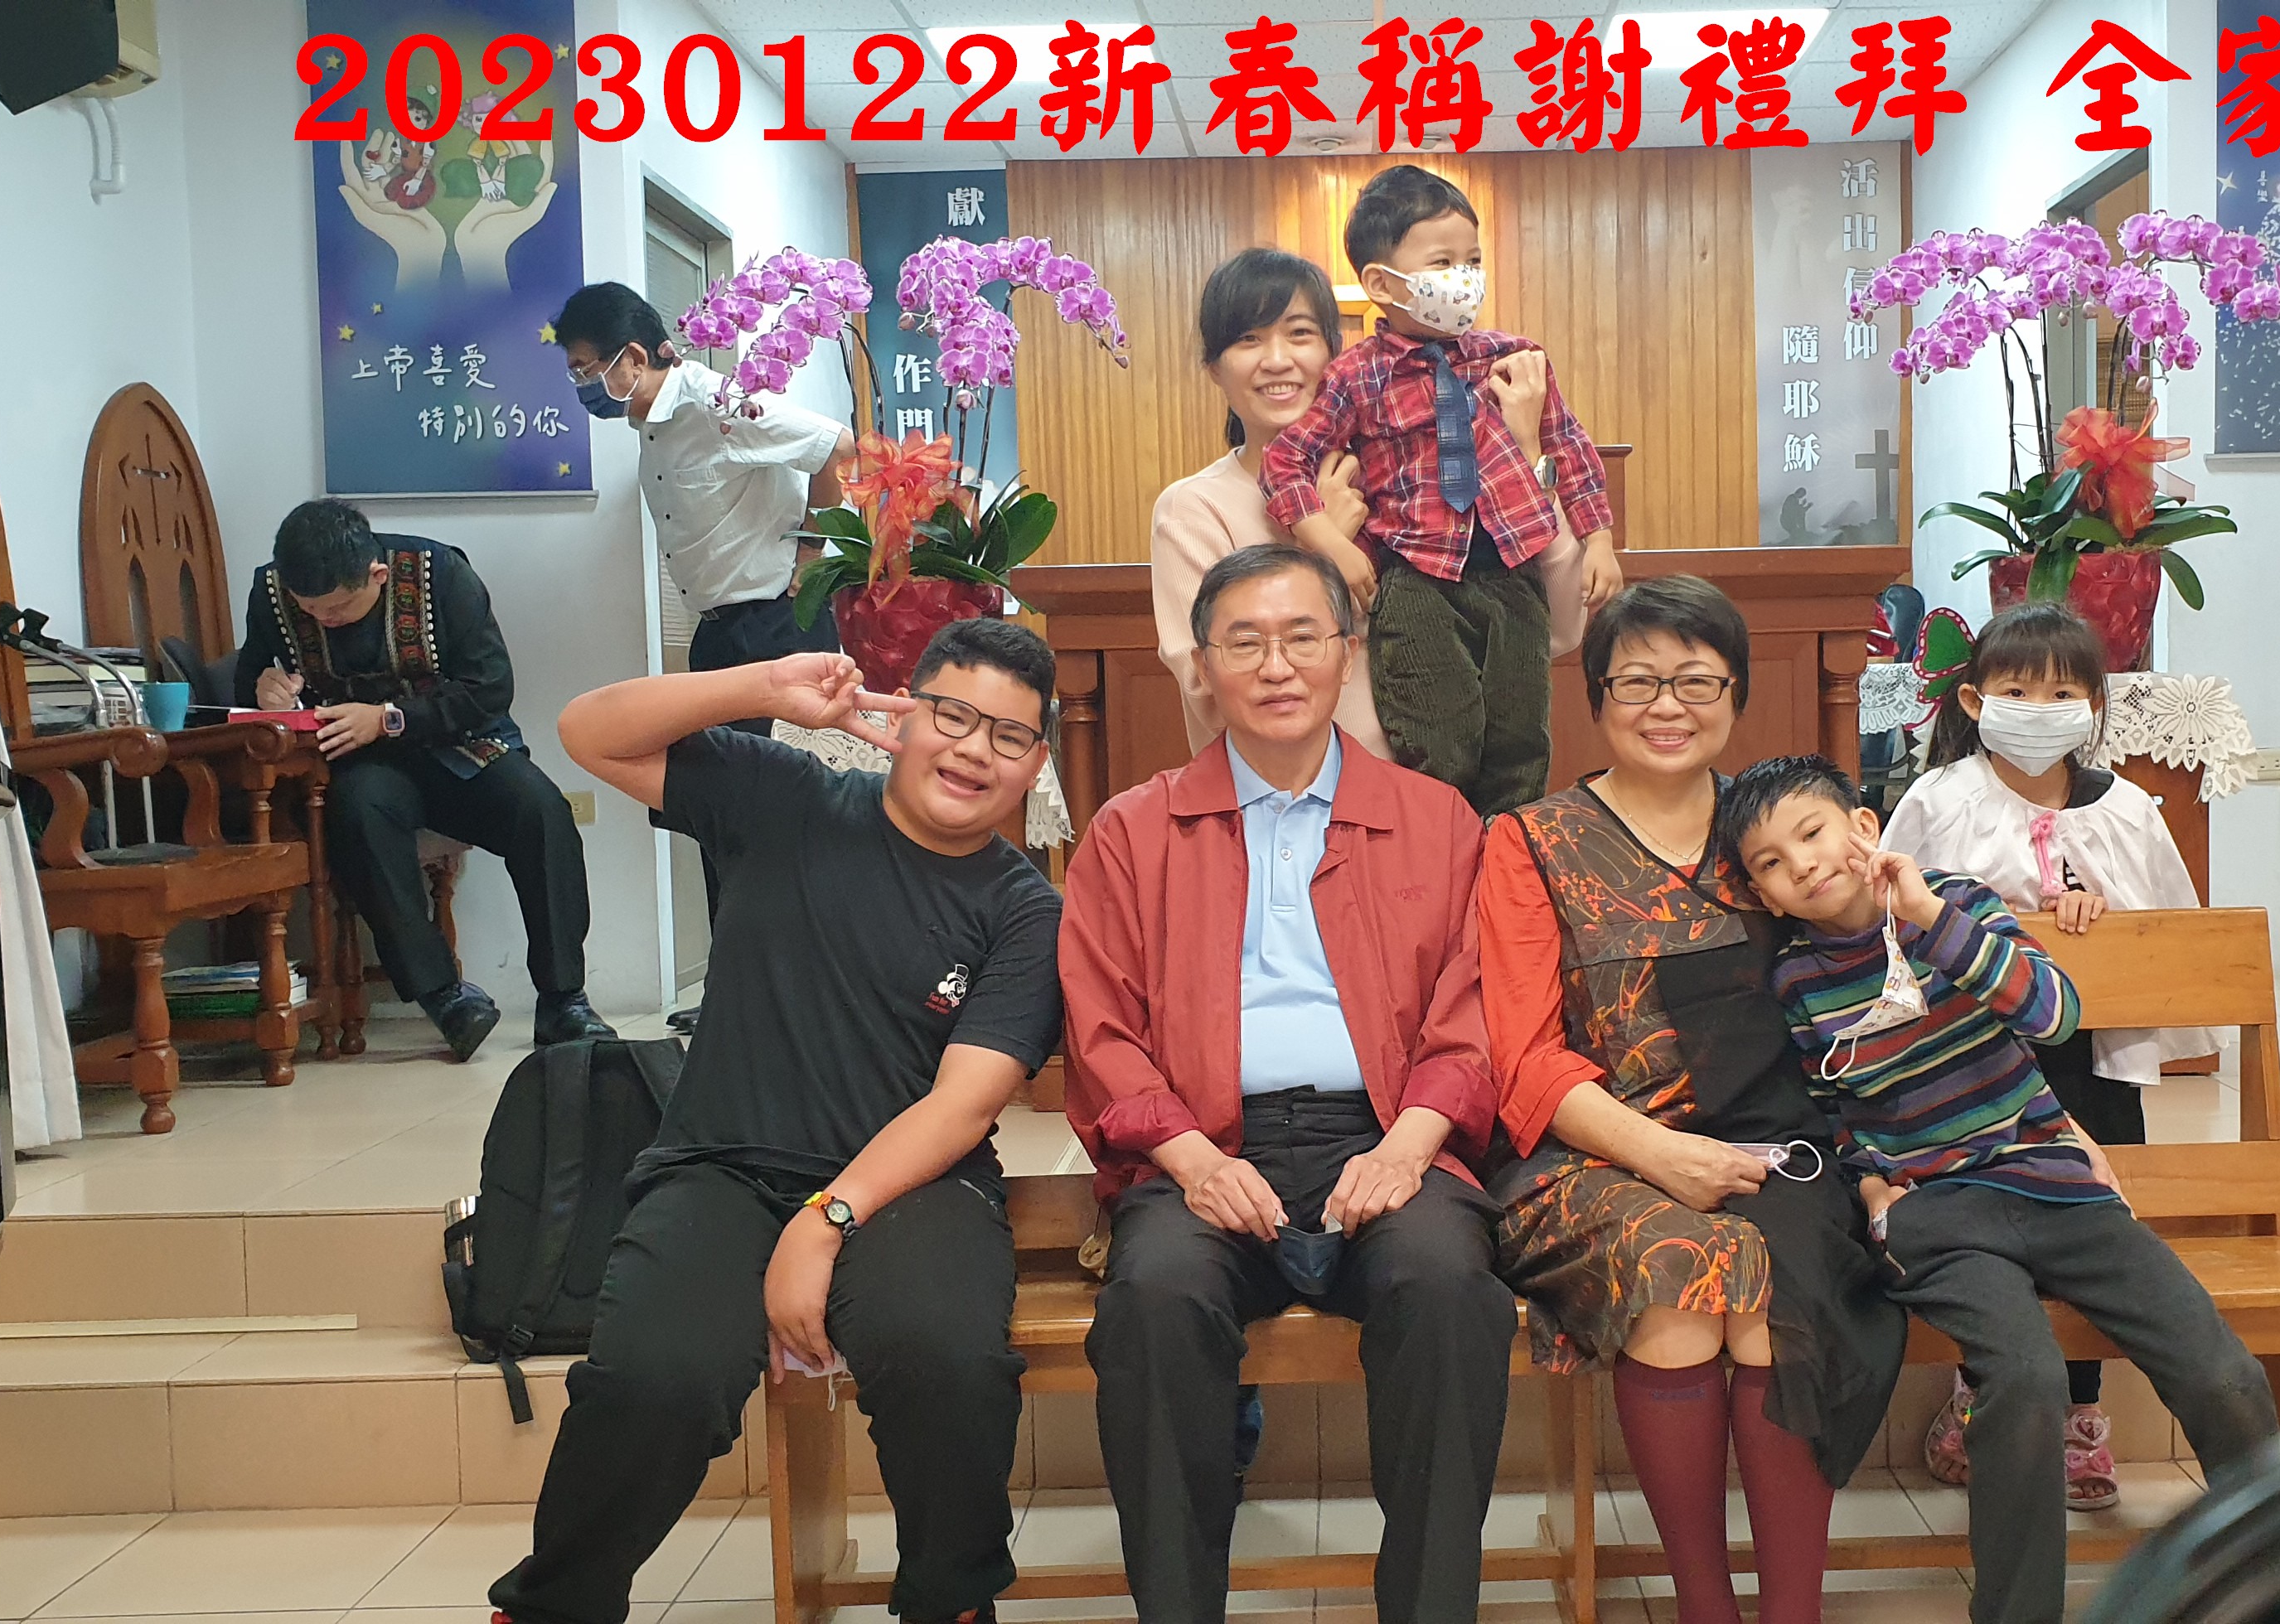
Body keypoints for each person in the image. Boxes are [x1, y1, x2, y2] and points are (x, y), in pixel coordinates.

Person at [491, 621, 1064, 1624]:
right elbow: (587, 731)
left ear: (1035, 760)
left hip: (914, 1184)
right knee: (656, 1376)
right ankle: (553, 1607)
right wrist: (762, 686)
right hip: (719, 1166)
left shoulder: (1025, 911)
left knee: (946, 1361)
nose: (975, 750)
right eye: (952, 716)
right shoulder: (785, 797)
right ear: (902, 716)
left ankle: (952, 1602)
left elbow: (963, 1101)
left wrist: (828, 1218)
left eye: (1007, 736)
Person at [1059, 544, 1514, 1624]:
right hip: (1203, 1148)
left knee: (1450, 1289)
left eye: (1303, 636)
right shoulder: (1132, 831)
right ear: (1201, 666)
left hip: (1388, 1136)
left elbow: (1475, 1011)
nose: (1277, 665)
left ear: (1346, 654)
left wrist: (1407, 1146)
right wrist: (1192, 1160)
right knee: (1155, 1300)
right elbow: (1101, 1031)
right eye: (1246, 642)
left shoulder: (1437, 820)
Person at [1719, 754, 2278, 1624]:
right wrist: (1871, 1191)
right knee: (2023, 1380)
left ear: (1863, 827)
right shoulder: (1797, 979)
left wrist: (1930, 916)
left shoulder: (1960, 905)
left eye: (1812, 833)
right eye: (1772, 863)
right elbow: (1827, 1114)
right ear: (1765, 895)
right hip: (1936, 1213)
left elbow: (2053, 1014)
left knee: (2221, 1372)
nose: (1803, 865)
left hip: (2055, 1185)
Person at [1476, 578, 1902, 1624]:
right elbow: (1522, 1060)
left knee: (1774, 1278)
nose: (1667, 704)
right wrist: (1658, 1155)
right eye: (1638, 681)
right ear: (1596, 694)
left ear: (1735, 692)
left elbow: (1881, 953)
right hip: (1591, 1157)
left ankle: (1791, 1612)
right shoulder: (1529, 842)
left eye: (1697, 680)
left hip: (1780, 1148)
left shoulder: (1773, 832)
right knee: (1684, 1267)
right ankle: (1705, 1607)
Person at [1879, 598, 2214, 1509]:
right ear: (1976, 700)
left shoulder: (2128, 809)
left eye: (2063, 692)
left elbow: (2168, 932)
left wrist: (2094, 912)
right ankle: (1977, 1396)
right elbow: (1890, 911)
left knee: (2091, 1226)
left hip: (2088, 1065)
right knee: (1985, 1225)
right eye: (2018, 689)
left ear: (2095, 704)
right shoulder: (1940, 799)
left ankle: (2080, 1413)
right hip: (1966, 1062)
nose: (2040, 707)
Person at [1261, 167, 1624, 814]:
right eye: (1442, 263)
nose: (1464, 278)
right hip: (1418, 579)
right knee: (1439, 740)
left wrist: (1598, 540)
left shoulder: (1515, 358)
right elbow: (1286, 460)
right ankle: (1438, 850)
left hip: (1515, 575)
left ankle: (1506, 857)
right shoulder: (1355, 377)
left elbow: (1570, 447)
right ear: (1381, 284)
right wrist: (1329, 544)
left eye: (1473, 261)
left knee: (1521, 741)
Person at [1155, 247, 1593, 761]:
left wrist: (1526, 457)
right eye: (1248, 339)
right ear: (1214, 368)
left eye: (1299, 333)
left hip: (1451, 786)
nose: (1276, 360)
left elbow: (1561, 629)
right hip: (1300, 796)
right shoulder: (1195, 507)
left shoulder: (1409, 480)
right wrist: (1321, 549)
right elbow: (1209, 692)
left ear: (1336, 355)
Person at [556, 279, 847, 1032]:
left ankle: (796, 1001)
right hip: (719, 634)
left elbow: (833, 445)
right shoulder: (650, 424)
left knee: (782, 814)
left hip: (776, 628)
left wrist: (812, 551)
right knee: (719, 810)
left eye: (587, 367)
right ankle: (734, 996)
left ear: (631, 356)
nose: (582, 383)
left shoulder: (720, 403)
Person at [235, 499, 610, 1061]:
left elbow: (489, 687)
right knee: (358, 814)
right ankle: (445, 999)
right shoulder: (271, 593)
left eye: (337, 607)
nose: (323, 619)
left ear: (377, 576)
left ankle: (564, 1000)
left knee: (542, 811)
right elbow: (248, 688)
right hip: (362, 766)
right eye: (308, 608)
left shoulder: (441, 574)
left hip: (460, 747)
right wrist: (266, 695)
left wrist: (388, 719)